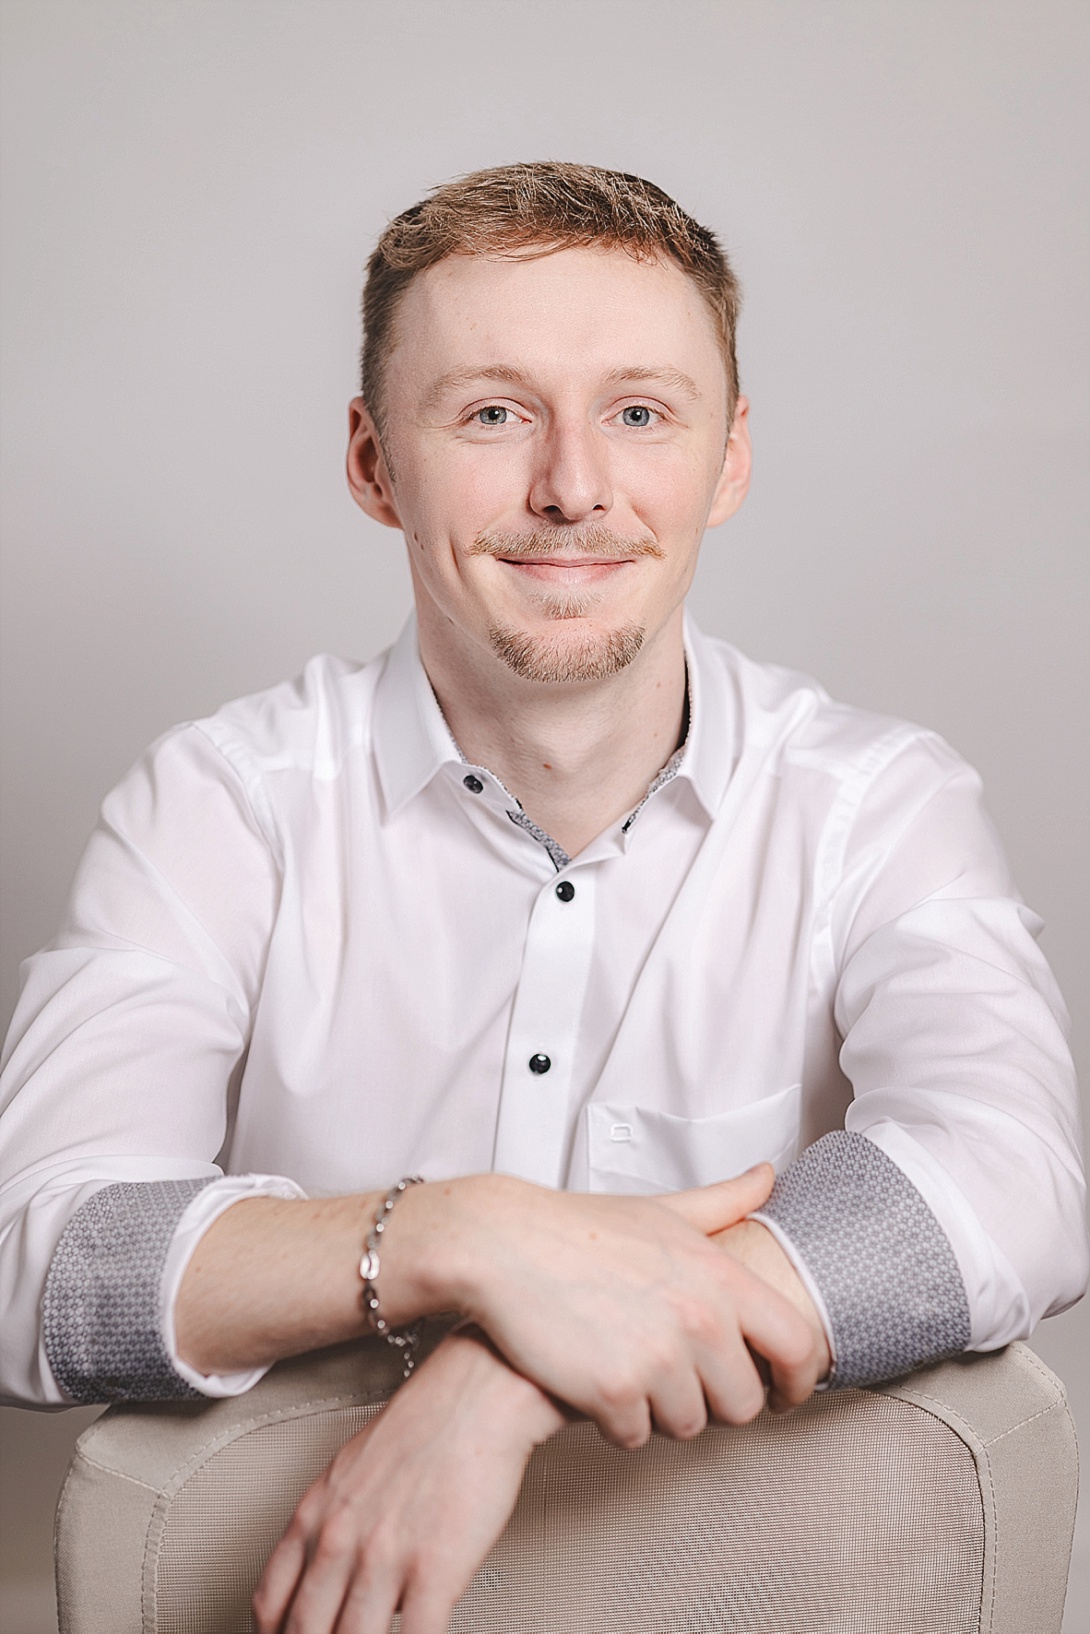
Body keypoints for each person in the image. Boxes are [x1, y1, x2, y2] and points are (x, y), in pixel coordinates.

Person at [0, 162, 1085, 1633]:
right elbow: (39, 1253)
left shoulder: (876, 804)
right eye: (493, 413)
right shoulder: (220, 802)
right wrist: (459, 1234)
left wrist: (507, 1369)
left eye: (639, 414)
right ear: (374, 462)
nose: (573, 486)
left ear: (727, 460)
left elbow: (1011, 1172)